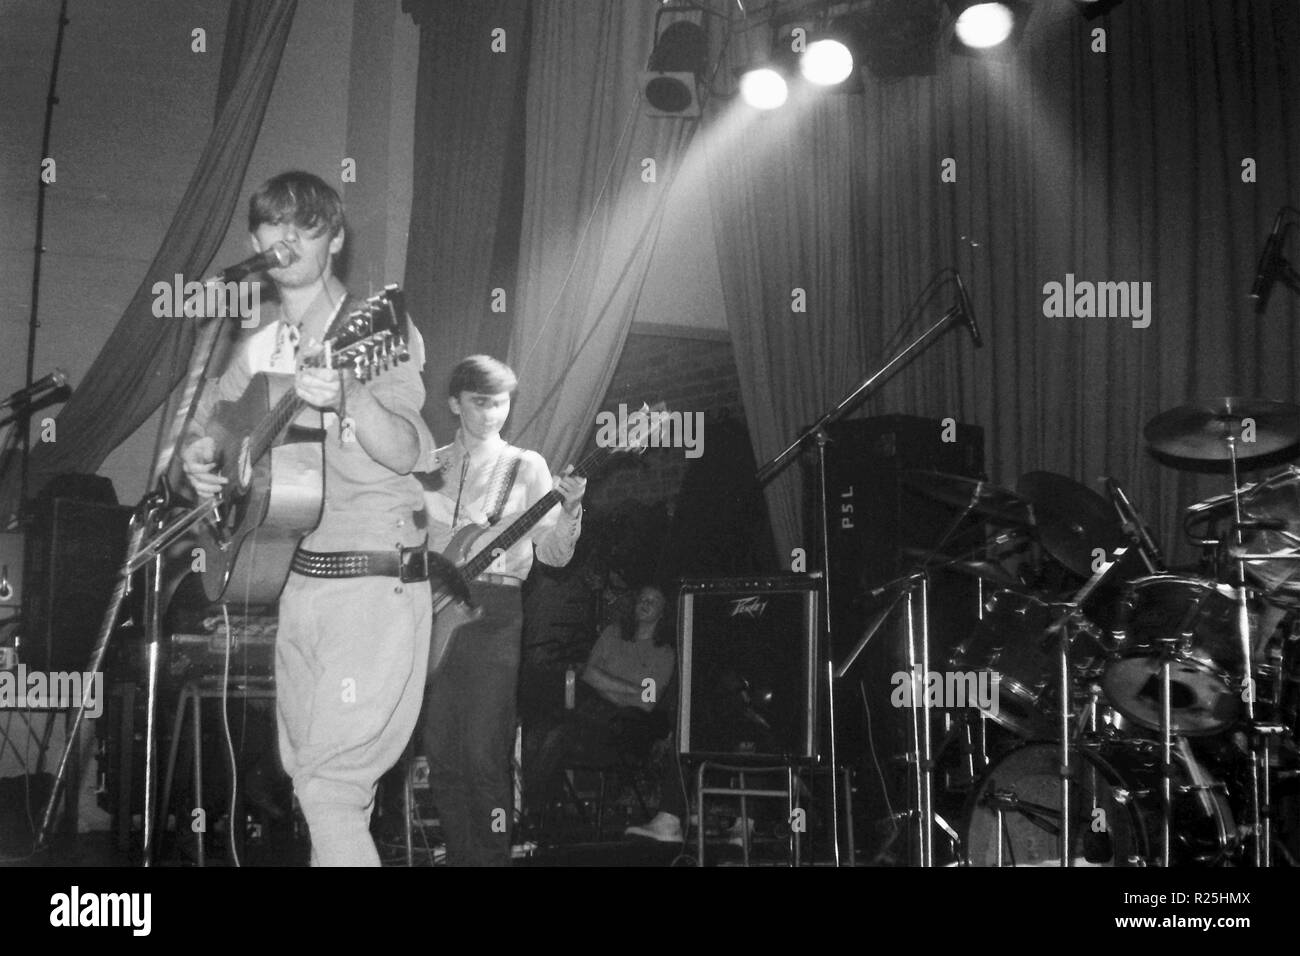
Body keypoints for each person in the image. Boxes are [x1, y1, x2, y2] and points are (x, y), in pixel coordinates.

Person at [180, 171, 436, 866]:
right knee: (313, 781)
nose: (287, 237)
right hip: (294, 583)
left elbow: (409, 450)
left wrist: (350, 392)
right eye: (273, 225)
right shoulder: (258, 346)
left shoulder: (374, 327)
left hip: (372, 582)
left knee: (330, 786)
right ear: (253, 240)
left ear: (336, 240)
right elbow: (202, 438)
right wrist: (200, 458)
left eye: (308, 225)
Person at [421, 355, 586, 866]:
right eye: (480, 402)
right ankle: (460, 855)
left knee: (484, 751)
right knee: (443, 752)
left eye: (501, 403)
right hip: (431, 608)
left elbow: (555, 555)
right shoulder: (429, 465)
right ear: (454, 403)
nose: (493, 413)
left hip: (495, 609)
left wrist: (573, 509)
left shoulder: (527, 466)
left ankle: (490, 859)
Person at [528, 585, 676, 809]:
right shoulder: (613, 633)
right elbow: (588, 673)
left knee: (556, 737)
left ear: (663, 612)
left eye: (652, 601)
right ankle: (524, 804)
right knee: (535, 732)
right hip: (586, 712)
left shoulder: (663, 653)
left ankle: (529, 807)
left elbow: (646, 702)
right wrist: (632, 689)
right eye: (642, 598)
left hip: (620, 729)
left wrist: (602, 683)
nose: (644, 603)